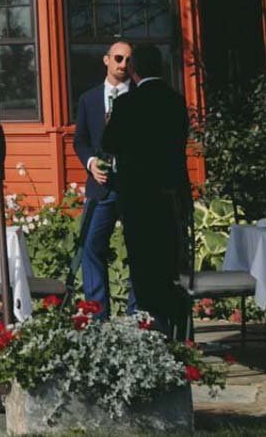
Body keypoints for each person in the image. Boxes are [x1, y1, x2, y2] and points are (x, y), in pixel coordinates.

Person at [103, 42, 192, 339]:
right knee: (168, 264)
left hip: (138, 198)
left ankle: (151, 324)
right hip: (169, 196)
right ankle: (172, 328)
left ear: (134, 70)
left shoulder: (127, 103)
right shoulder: (176, 102)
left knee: (142, 263)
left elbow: (109, 143)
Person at [72, 39, 133, 320]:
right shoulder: (89, 99)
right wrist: (91, 163)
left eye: (128, 60)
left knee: (140, 249)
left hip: (134, 187)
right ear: (106, 60)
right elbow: (80, 141)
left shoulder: (139, 98)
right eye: (118, 58)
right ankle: (97, 318)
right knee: (90, 246)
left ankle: (137, 316)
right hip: (101, 187)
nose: (123, 64)